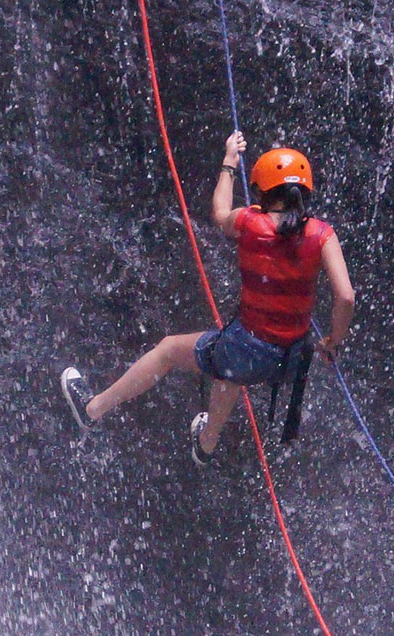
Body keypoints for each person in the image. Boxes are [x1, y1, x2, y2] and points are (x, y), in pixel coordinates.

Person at [60, 131, 356, 466]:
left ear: (263, 191)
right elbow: (345, 296)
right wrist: (333, 340)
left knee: (173, 350)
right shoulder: (322, 234)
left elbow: (219, 212)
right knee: (227, 363)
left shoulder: (250, 223)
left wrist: (229, 162)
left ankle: (92, 409)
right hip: (289, 362)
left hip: (247, 350)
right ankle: (206, 443)